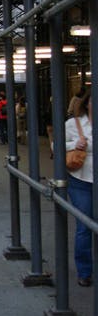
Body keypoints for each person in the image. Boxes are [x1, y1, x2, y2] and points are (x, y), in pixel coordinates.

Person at [66, 89, 93, 287]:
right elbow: (56, 146)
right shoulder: (73, 125)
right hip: (81, 179)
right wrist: (77, 143)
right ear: (87, 103)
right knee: (84, 226)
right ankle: (84, 272)